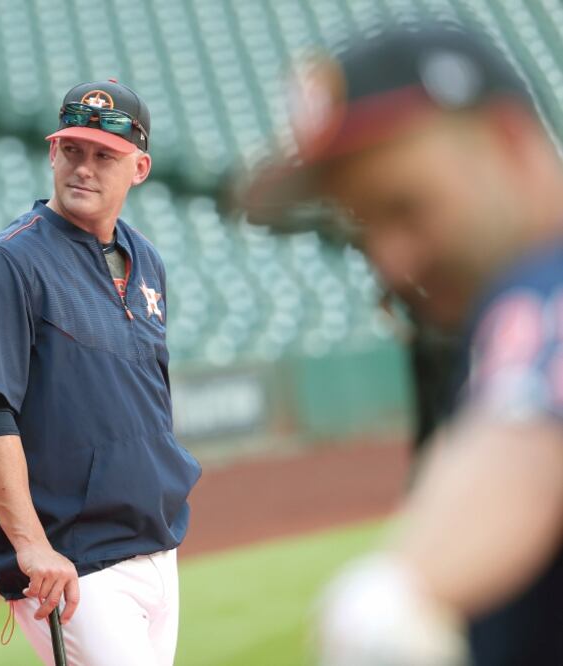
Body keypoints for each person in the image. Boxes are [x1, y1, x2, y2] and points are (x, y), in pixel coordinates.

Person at [243, 22, 563, 665]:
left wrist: (399, 595)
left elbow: (525, 430)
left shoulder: (540, 289)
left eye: (405, 206)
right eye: (362, 229)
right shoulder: (485, 316)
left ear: (508, 142)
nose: (388, 261)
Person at [0, 79, 201, 665]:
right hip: (72, 561)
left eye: (104, 155)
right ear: (52, 153)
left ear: (139, 167)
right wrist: (31, 545)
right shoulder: (9, 263)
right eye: (72, 150)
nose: (84, 168)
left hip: (155, 541)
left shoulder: (145, 258)